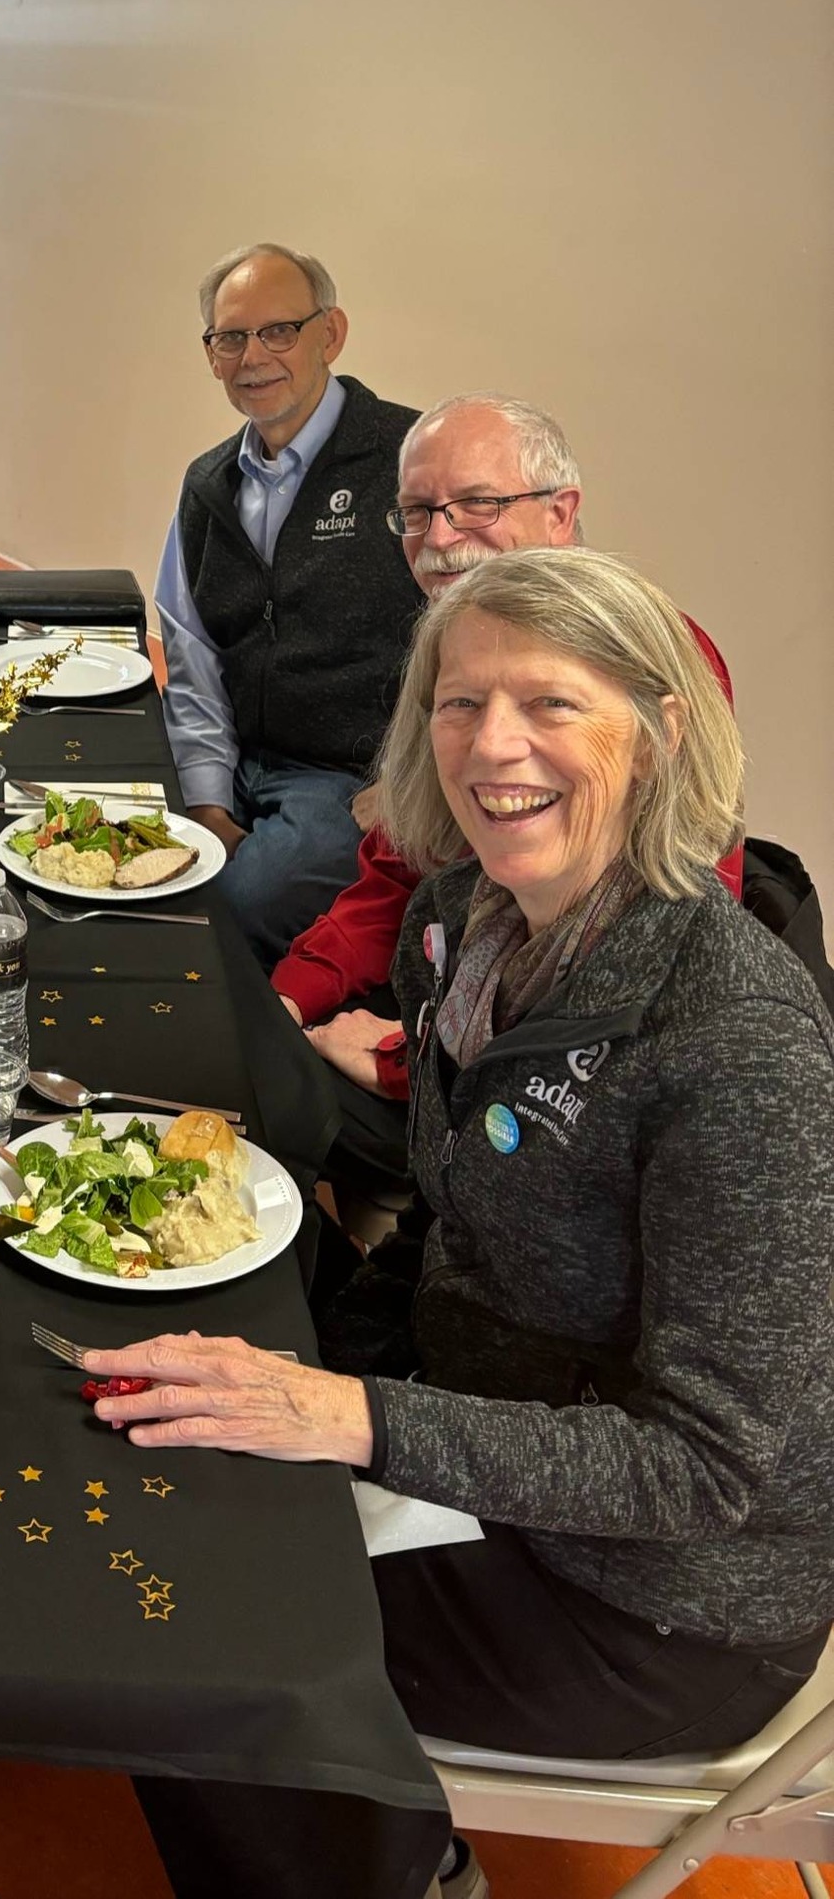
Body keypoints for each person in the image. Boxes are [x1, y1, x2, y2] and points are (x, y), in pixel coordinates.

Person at [89, 549, 834, 1899]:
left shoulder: (740, 1044)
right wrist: (327, 1362)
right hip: (489, 1427)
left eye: (552, 704)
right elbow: (455, 1219)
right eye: (459, 701)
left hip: (655, 1602)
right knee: (165, 1373)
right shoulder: (461, 926)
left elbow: (706, 1472)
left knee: (179, 1621)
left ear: (662, 735)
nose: (495, 747)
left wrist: (353, 1420)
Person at [270, 395, 740, 1198]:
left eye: (478, 503)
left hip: (573, 1068)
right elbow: (397, 872)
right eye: (418, 511)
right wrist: (289, 992)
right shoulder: (452, 651)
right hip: (455, 991)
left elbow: (663, 942)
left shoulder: (657, 658)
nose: (442, 537)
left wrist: (409, 1057)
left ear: (561, 512)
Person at [154, 242, 425, 964]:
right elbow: (193, 658)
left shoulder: (410, 461)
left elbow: (482, 637)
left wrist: (408, 780)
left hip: (347, 778)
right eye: (230, 338)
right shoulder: (207, 484)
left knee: (242, 902)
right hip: (238, 756)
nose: (253, 357)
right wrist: (208, 805)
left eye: (280, 331)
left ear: (329, 334)